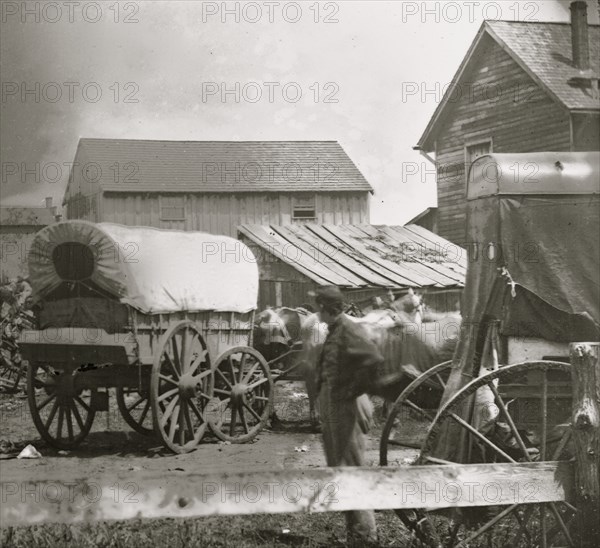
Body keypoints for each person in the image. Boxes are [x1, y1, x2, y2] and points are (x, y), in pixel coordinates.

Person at [312, 285, 383, 547]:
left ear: (323, 307)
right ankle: (355, 534)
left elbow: (373, 358)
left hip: (345, 408)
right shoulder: (336, 330)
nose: (315, 312)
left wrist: (355, 389)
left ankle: (366, 538)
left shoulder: (348, 329)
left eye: (317, 307)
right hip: (334, 407)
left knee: (352, 470)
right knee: (341, 469)